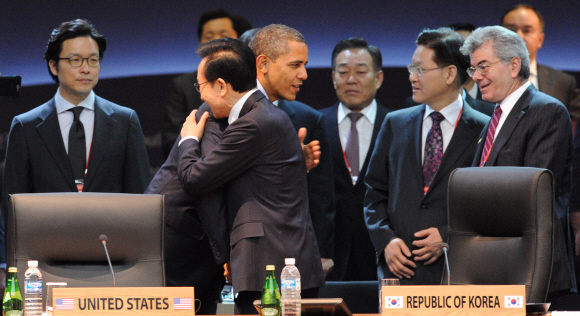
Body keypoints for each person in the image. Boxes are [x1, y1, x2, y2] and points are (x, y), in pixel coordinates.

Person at [177, 37, 325, 314]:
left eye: (201, 87)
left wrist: (189, 140)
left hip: (273, 266)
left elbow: (194, 178)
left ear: (221, 86)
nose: (200, 97)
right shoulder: (260, 116)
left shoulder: (254, 123)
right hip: (275, 262)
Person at [1, 19, 150, 268]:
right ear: (53, 66)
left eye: (93, 60)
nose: (86, 69)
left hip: (112, 262)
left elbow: (141, 200)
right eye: (75, 60)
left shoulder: (125, 121)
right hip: (45, 262)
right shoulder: (25, 126)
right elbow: (13, 208)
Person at [364, 28, 489, 285]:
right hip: (400, 273)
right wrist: (386, 241)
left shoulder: (484, 129)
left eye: (420, 69)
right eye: (412, 68)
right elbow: (374, 194)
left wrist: (448, 235)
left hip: (458, 274)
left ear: (449, 73)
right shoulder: (395, 123)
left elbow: (488, 203)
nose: (411, 77)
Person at [461, 25, 573, 300]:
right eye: (473, 69)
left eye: (484, 67)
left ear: (514, 65)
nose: (476, 77)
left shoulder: (546, 111)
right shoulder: (494, 117)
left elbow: (532, 193)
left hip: (531, 268)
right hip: (495, 263)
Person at [248, 25, 336, 277]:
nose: (304, 74)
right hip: (247, 251)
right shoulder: (227, 112)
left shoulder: (309, 119)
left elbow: (322, 195)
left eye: (305, 64)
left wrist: (322, 252)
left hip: (299, 255)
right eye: (295, 65)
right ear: (263, 63)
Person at [319, 38, 390, 281]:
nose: (351, 79)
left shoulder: (397, 124)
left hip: (382, 252)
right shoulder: (315, 123)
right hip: (328, 254)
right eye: (343, 72)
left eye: (360, 71)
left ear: (378, 78)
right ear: (333, 78)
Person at [161, 8, 253, 157]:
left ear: (239, 39)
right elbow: (172, 142)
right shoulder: (183, 86)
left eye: (224, 35)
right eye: (209, 36)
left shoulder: (252, 80)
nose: (216, 42)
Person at [501, 4, 580, 119]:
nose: (518, 36)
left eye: (526, 30)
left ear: (540, 40)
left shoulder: (563, 83)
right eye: (511, 30)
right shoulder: (481, 77)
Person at [448, 22, 495, 116]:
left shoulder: (495, 102)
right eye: (457, 47)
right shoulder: (422, 103)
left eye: (469, 46)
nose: (463, 53)